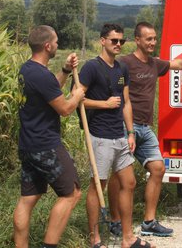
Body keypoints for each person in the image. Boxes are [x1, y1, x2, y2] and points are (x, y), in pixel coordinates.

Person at [110, 21, 182, 237]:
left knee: (158, 169)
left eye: (154, 38)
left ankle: (149, 222)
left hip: (144, 128)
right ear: (137, 40)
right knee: (119, 176)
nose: (153, 42)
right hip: (124, 126)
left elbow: (177, 64)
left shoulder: (154, 64)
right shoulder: (124, 63)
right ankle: (115, 220)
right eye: (148, 39)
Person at [77, 23, 154, 248]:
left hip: (119, 136)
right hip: (99, 136)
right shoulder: (91, 67)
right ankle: (95, 238)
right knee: (97, 185)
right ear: (103, 41)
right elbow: (77, 99)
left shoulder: (121, 69)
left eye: (121, 41)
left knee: (128, 183)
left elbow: (126, 103)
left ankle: (127, 238)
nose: (118, 44)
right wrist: (104, 103)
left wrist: (130, 132)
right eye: (114, 40)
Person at [13, 25, 86, 248]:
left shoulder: (27, 70)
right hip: (45, 145)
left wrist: (64, 70)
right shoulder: (40, 75)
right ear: (47, 46)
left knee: (28, 199)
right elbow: (64, 108)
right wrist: (77, 95)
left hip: (28, 144)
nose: (57, 45)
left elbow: (50, 88)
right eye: (55, 41)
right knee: (71, 194)